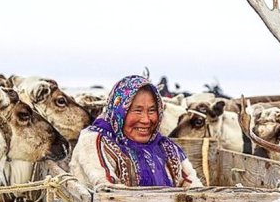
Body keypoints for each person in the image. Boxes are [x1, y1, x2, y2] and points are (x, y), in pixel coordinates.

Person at [70, 75, 203, 188]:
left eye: (152, 110)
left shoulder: (165, 148)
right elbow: (106, 190)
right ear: (119, 112)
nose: (146, 120)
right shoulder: (95, 142)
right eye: (137, 110)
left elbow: (193, 187)